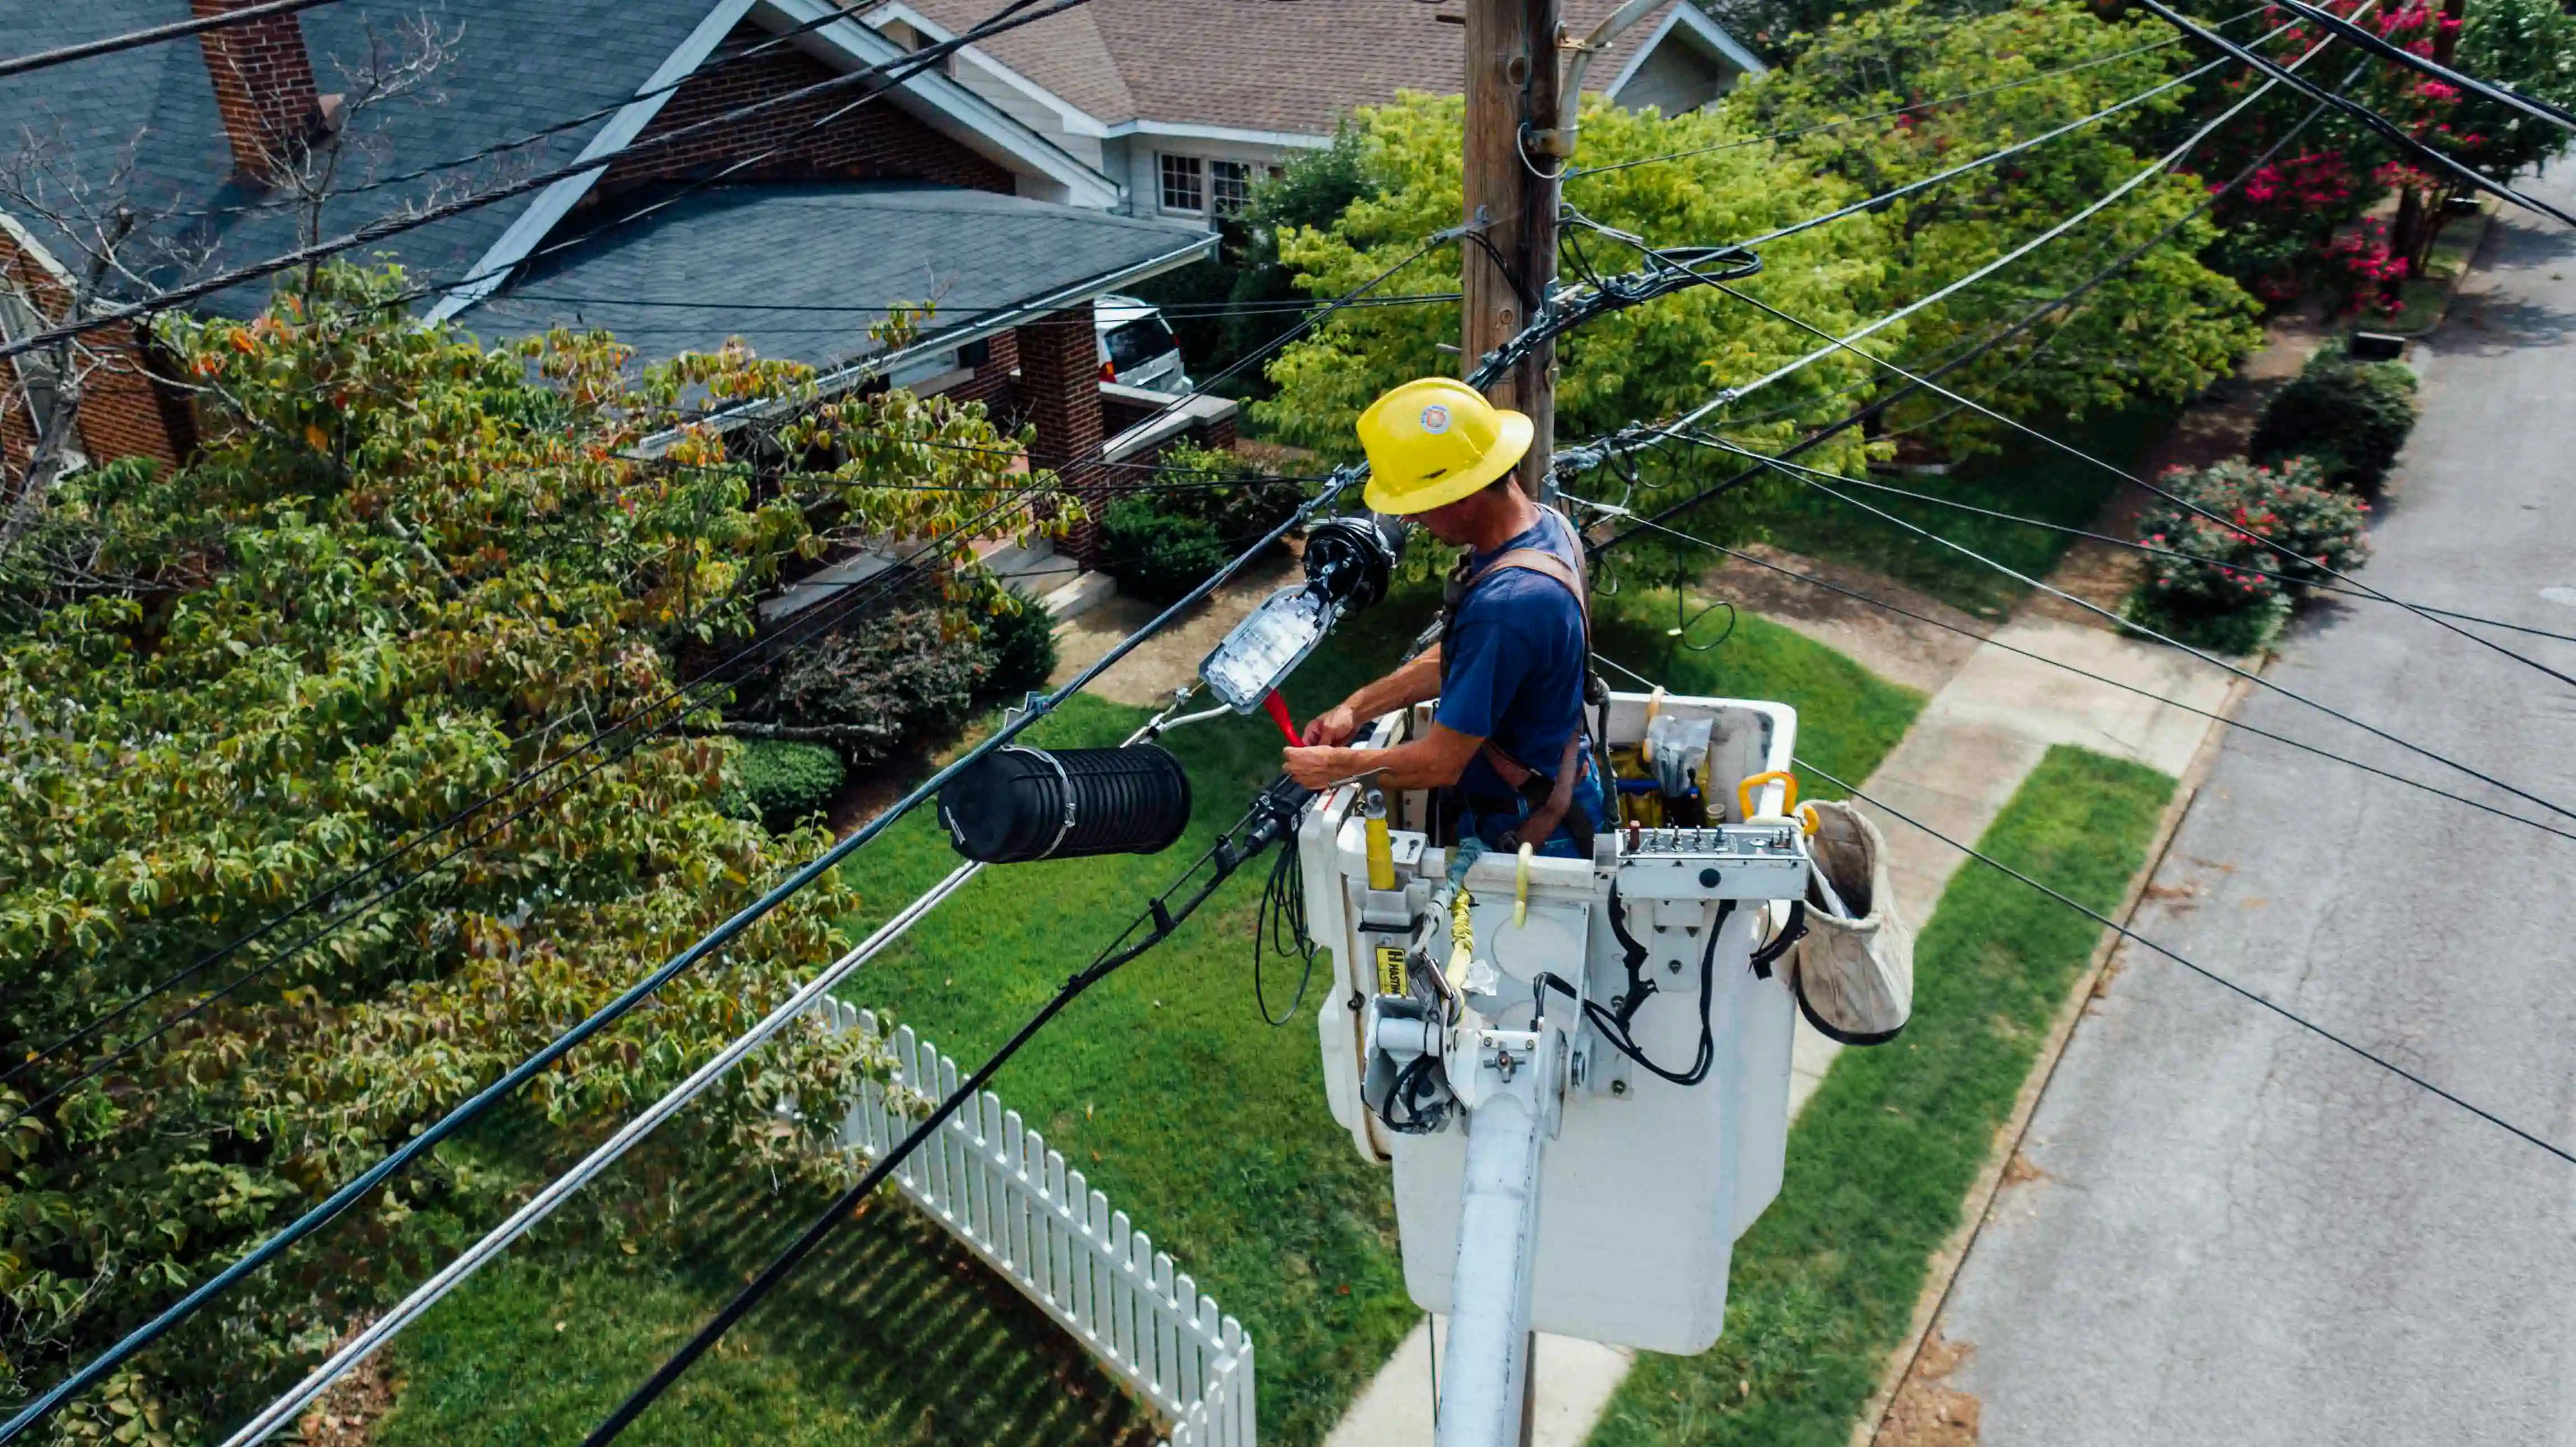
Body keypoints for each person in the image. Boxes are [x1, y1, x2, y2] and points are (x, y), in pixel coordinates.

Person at [1281, 377, 1606, 858]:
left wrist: (1335, 768)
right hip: (1552, 791)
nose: (1412, 522)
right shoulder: (1545, 526)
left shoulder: (1508, 605)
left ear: (1462, 496)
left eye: (1418, 507)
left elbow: (1439, 764)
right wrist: (1358, 706)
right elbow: (1462, 661)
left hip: (1530, 830)